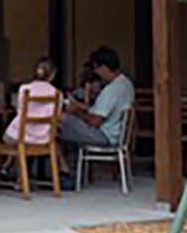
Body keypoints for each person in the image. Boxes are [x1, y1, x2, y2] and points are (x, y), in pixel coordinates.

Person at [58, 47, 135, 184]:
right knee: (55, 127)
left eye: (97, 69)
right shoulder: (126, 84)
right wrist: (79, 107)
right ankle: (62, 169)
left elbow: (95, 121)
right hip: (115, 134)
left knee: (57, 121)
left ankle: (61, 171)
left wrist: (75, 111)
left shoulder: (112, 90)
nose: (96, 73)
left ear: (104, 67)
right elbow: (98, 110)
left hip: (104, 135)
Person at [3, 57, 60, 146]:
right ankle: (22, 159)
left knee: (7, 137)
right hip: (44, 137)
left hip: (20, 135)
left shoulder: (24, 89)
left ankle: (18, 159)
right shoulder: (57, 93)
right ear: (53, 75)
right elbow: (57, 116)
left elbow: (19, 110)